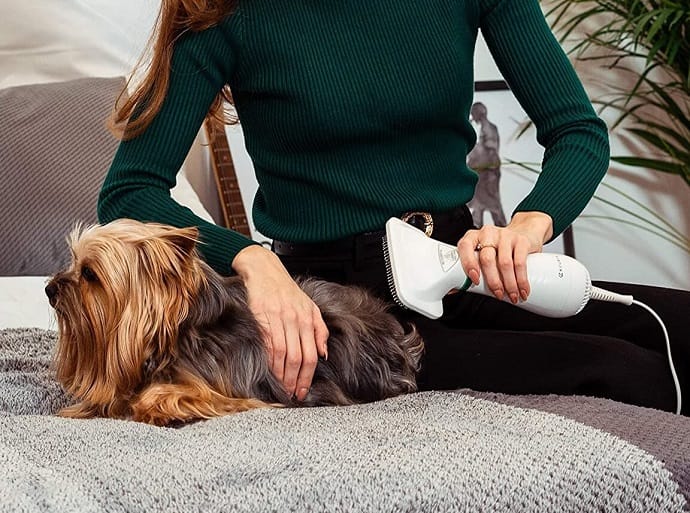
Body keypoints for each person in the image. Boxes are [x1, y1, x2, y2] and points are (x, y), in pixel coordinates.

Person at [99, 0, 689, 414]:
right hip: (345, 315)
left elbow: (578, 131)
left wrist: (528, 227)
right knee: (626, 371)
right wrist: (253, 260)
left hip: (463, 270)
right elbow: (130, 192)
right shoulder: (218, 9)